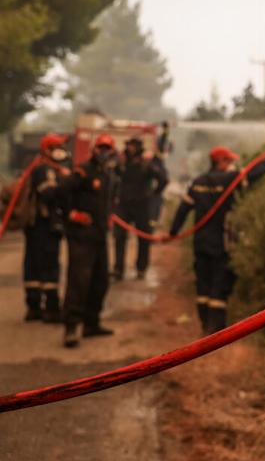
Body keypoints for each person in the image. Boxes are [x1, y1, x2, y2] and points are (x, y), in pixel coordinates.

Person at [167, 144, 265, 334]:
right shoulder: (230, 179)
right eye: (229, 161)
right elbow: (256, 172)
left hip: (200, 242)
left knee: (203, 285)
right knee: (220, 285)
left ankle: (205, 325)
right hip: (221, 243)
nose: (232, 165)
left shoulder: (198, 182)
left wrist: (172, 232)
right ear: (220, 161)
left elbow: (183, 210)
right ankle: (216, 332)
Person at [59, 133, 119, 348]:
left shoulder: (108, 174)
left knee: (100, 280)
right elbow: (61, 190)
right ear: (94, 149)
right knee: (79, 281)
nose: (103, 152)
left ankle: (91, 324)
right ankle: (71, 328)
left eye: (107, 148)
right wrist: (71, 214)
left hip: (100, 235)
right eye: (100, 148)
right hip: (81, 236)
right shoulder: (84, 170)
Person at [22, 133, 70, 323]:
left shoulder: (50, 168)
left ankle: (34, 307)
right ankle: (50, 308)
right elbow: (48, 194)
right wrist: (66, 181)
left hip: (39, 226)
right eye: (57, 147)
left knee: (35, 265)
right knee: (47, 266)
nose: (61, 151)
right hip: (43, 227)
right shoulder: (44, 170)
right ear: (47, 150)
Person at [112, 136, 168, 280]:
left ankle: (141, 268)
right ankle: (118, 269)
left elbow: (163, 179)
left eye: (133, 145)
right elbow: (111, 178)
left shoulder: (146, 163)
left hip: (142, 205)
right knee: (119, 237)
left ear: (138, 147)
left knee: (143, 239)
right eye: (129, 145)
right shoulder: (122, 162)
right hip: (124, 204)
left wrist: (154, 194)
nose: (130, 148)